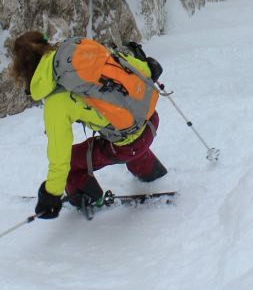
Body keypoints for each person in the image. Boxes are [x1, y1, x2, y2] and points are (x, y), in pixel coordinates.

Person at [9, 31, 166, 220]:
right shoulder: (76, 54)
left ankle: (90, 199)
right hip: (150, 119)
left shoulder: (56, 101)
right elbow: (116, 62)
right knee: (124, 125)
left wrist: (51, 195)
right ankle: (151, 173)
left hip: (130, 144)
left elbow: (60, 159)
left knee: (73, 161)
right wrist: (147, 68)